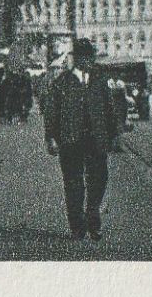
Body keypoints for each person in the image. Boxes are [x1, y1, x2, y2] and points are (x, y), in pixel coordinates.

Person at [42, 39, 121, 241]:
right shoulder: (62, 82)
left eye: (91, 57)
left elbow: (110, 109)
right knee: (73, 183)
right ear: (77, 59)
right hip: (70, 140)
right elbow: (51, 112)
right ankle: (77, 226)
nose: (90, 61)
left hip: (96, 140)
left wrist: (114, 135)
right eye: (86, 58)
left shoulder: (100, 81)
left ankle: (92, 216)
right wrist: (51, 137)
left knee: (99, 179)